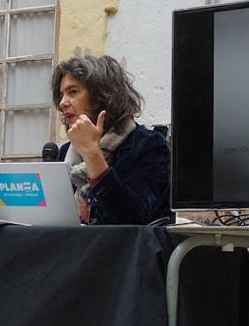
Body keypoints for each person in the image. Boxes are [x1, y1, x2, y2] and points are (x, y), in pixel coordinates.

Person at [52, 55, 170, 225]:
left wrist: (93, 154)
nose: (63, 103)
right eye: (61, 95)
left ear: (102, 95)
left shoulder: (149, 146)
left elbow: (131, 218)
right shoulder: (66, 152)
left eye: (73, 92)